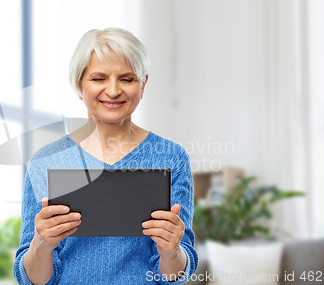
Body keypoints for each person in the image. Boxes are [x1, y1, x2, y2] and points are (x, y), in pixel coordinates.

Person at [13, 27, 198, 285]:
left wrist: (172, 251)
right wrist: (41, 245)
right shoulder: (46, 161)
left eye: (127, 79)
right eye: (99, 79)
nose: (112, 91)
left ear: (143, 84)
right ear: (79, 83)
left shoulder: (171, 157)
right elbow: (32, 280)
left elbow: (174, 275)